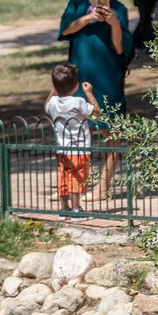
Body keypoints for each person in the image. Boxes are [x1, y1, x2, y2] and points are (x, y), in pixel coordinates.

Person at [58, 0, 132, 200]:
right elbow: (66, 29)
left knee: (110, 131)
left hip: (108, 75)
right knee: (76, 131)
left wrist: (113, 23)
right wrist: (90, 16)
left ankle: (104, 187)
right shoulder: (78, 1)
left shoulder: (119, 9)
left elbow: (121, 49)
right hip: (80, 73)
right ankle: (75, 185)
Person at [45, 63, 100, 217]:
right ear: (76, 86)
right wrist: (89, 93)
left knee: (63, 176)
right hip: (79, 148)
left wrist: (54, 89)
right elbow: (96, 111)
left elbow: (47, 105)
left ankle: (65, 209)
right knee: (78, 177)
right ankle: (76, 209)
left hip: (62, 148)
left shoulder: (53, 103)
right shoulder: (78, 102)